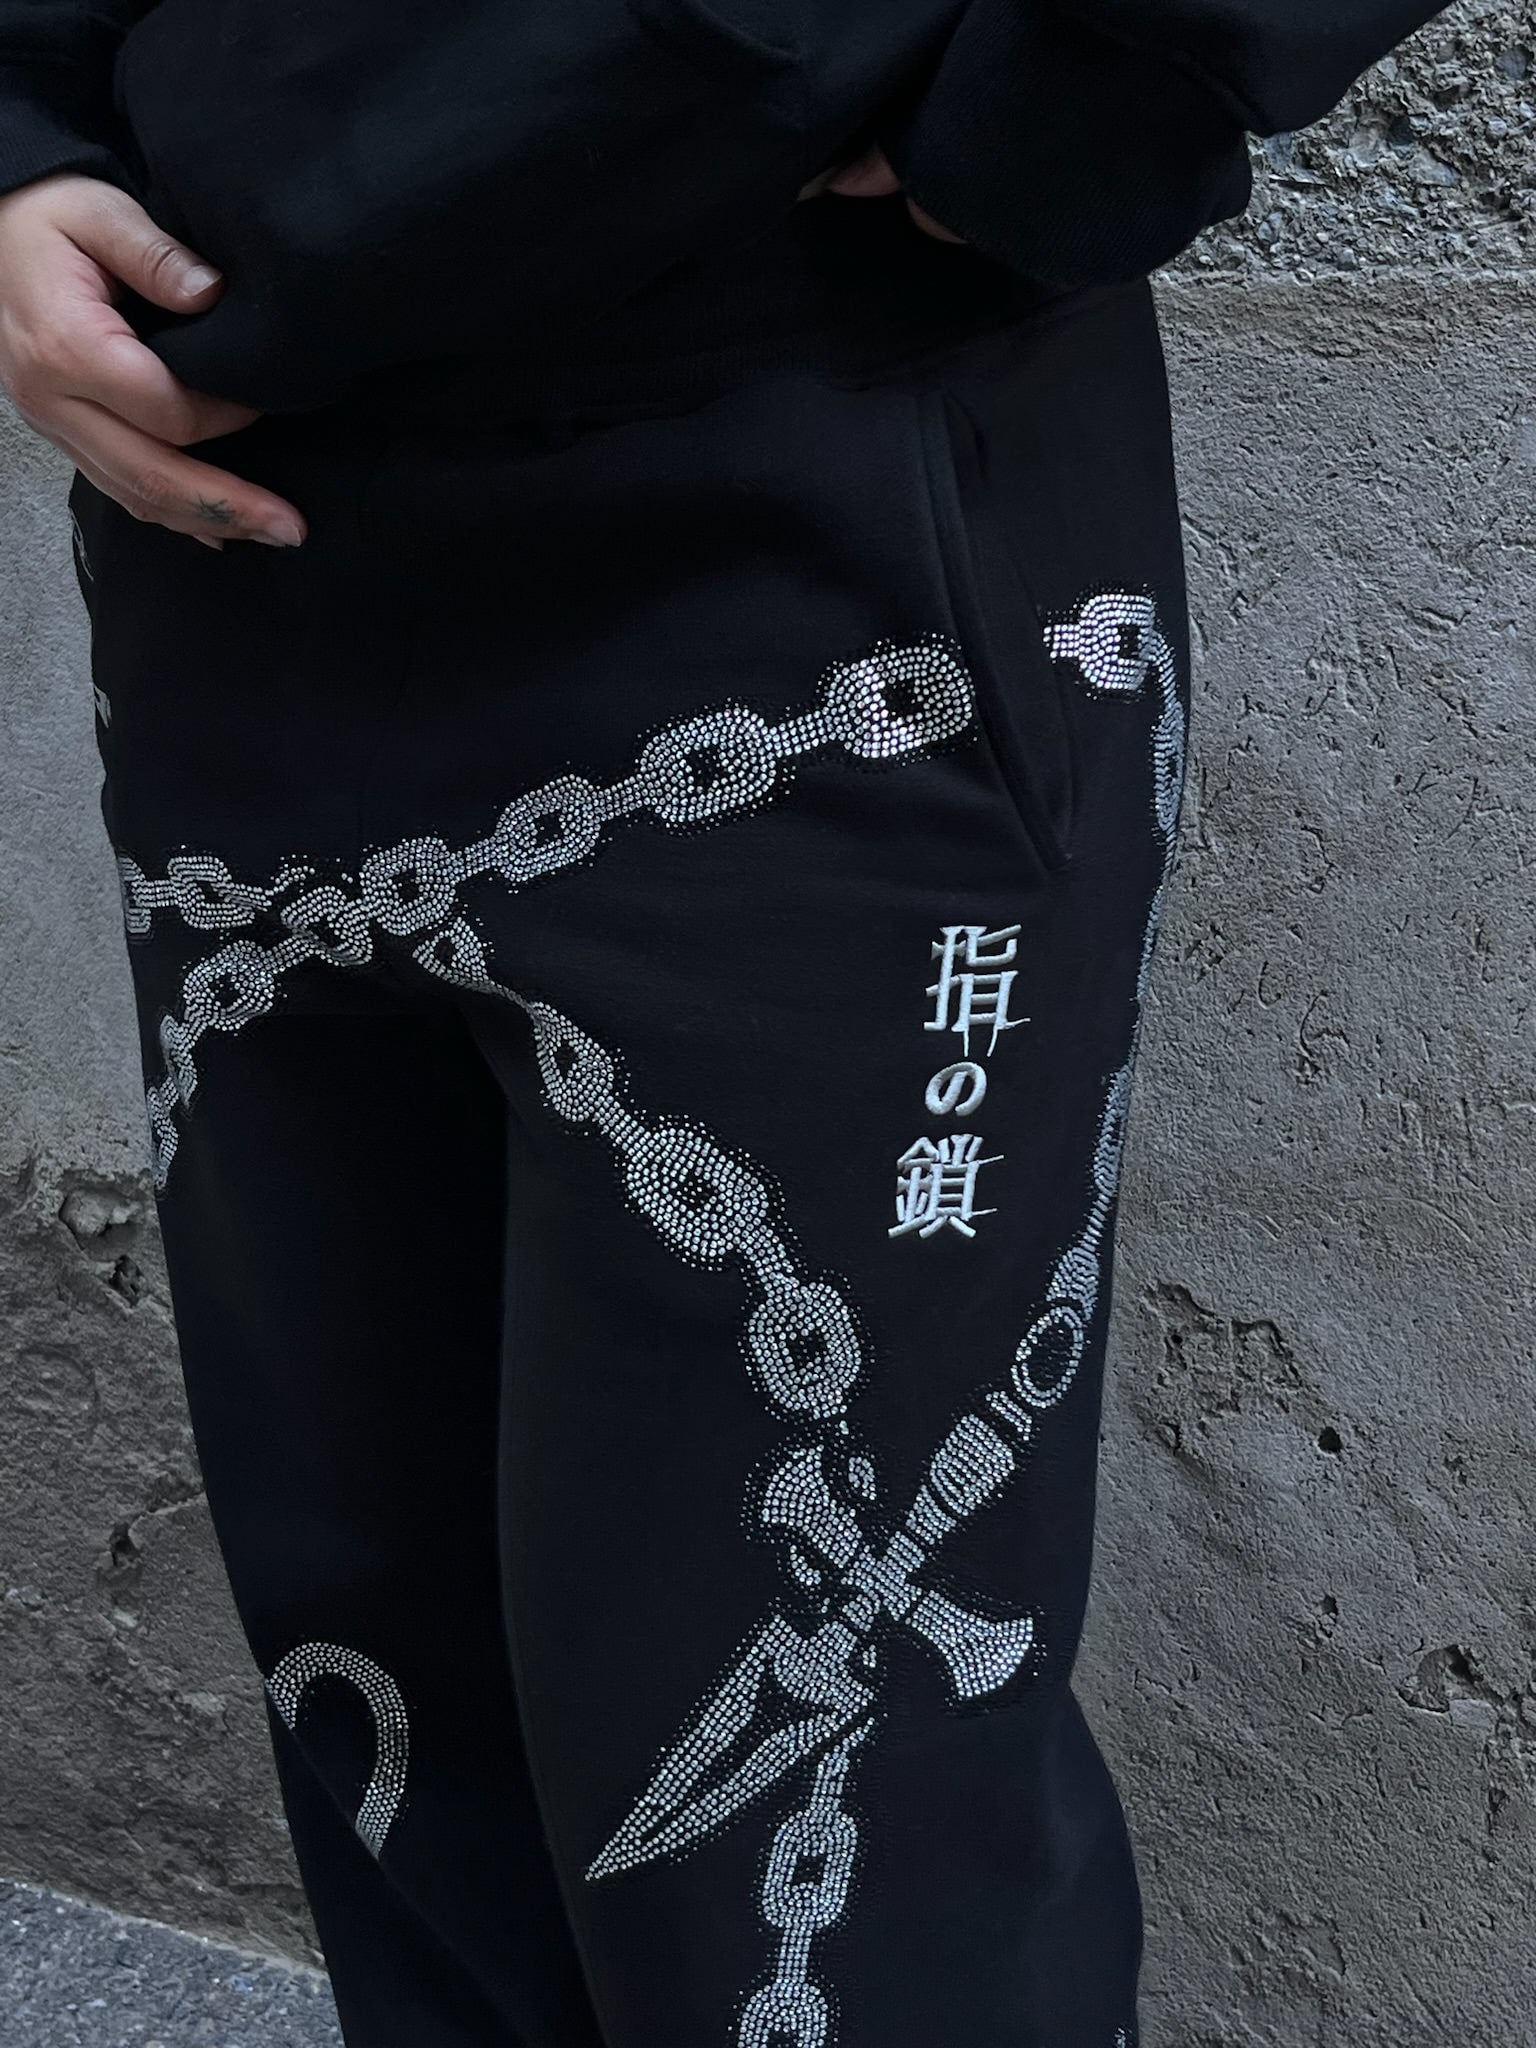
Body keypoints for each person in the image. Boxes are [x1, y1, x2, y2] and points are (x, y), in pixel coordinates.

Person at [0, 6, 1451, 2044]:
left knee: (820, 1829)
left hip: (818, 498)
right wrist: (22, 136)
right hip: (235, 534)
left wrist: (1105, 79)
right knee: (398, 1717)